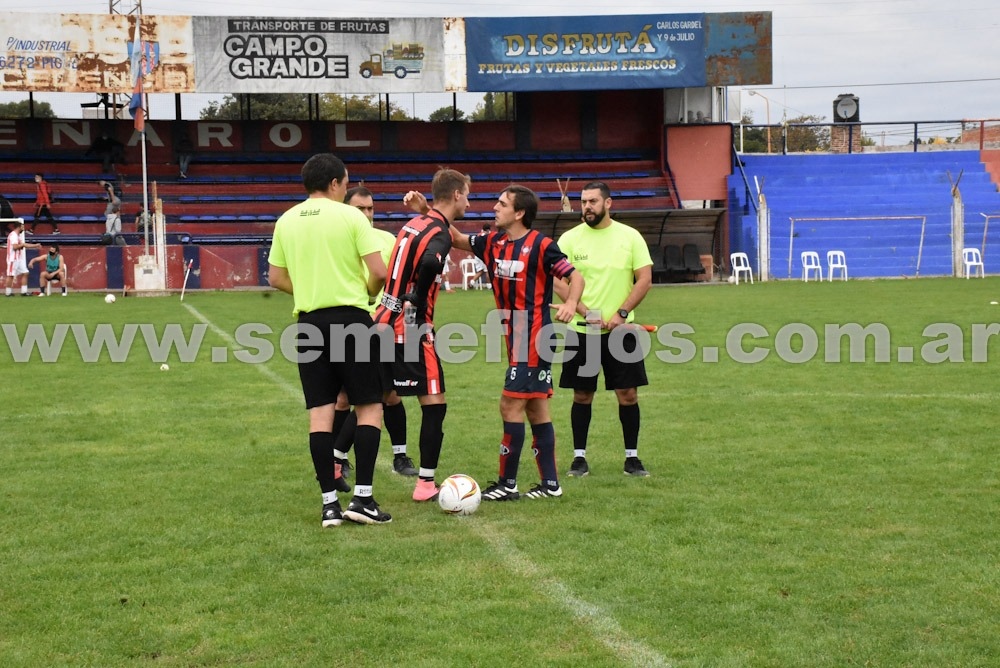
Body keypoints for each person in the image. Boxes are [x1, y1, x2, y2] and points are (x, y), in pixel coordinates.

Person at [267, 153, 391, 527]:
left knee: (320, 416)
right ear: (336, 183)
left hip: (309, 323)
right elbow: (379, 274)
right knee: (369, 408)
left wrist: (308, 291)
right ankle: (363, 500)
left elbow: (275, 278)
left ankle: (329, 506)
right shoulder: (352, 216)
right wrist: (367, 293)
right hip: (352, 319)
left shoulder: (286, 220)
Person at [446, 184, 584, 500]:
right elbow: (455, 238)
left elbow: (576, 278)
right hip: (513, 337)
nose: (495, 207)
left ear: (519, 213)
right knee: (536, 409)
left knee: (510, 403)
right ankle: (551, 485)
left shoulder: (541, 245)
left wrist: (571, 303)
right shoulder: (491, 242)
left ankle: (507, 484)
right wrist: (427, 212)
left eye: (502, 203)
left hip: (534, 337)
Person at [373, 168, 470, 503]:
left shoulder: (416, 223)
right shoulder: (439, 233)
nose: (469, 202)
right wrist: (419, 296)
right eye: (467, 194)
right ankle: (426, 485)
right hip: (410, 328)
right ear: (456, 194)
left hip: (381, 319)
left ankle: (338, 463)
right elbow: (431, 261)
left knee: (369, 399)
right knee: (434, 403)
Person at [554, 181, 654, 477]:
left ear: (608, 203)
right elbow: (558, 281)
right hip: (582, 332)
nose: (587, 207)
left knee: (628, 395)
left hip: (620, 333)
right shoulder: (569, 240)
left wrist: (622, 314)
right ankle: (579, 458)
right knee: (582, 395)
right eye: (584, 201)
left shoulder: (630, 237)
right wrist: (584, 311)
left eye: (593, 201)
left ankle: (632, 458)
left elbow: (644, 278)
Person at [331, 186, 418, 480]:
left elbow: (401, 281)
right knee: (344, 398)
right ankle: (337, 458)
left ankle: (400, 455)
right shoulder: (336, 240)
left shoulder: (387, 240)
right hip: (348, 325)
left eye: (370, 208)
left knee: (391, 394)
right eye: (360, 209)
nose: (367, 214)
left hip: (385, 328)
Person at [6, 220, 41, 296]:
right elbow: (15, 247)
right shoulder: (13, 235)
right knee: (10, 275)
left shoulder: (18, 236)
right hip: (13, 259)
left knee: (25, 273)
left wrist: (35, 245)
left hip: (18, 258)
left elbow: (22, 245)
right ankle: (8, 292)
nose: (23, 229)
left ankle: (24, 292)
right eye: (22, 227)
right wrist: (22, 245)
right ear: (19, 227)